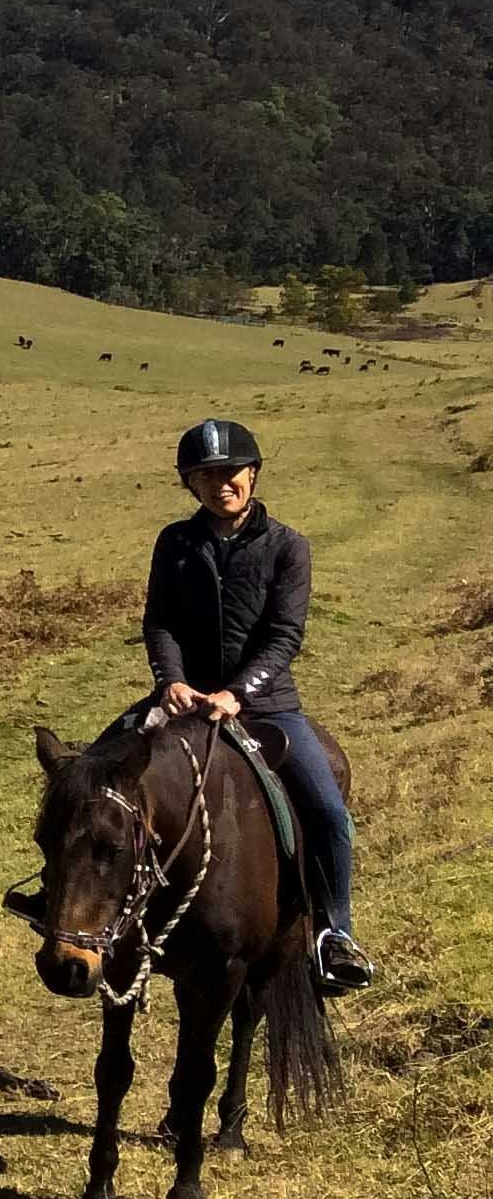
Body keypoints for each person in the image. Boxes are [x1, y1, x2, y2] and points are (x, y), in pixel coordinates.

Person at [143, 418, 367, 990]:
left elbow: (285, 635)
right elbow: (160, 622)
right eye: (206, 475)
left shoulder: (289, 547)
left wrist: (237, 693)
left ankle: (334, 933)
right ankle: (60, 898)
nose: (221, 484)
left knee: (328, 812)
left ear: (254, 474)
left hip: (267, 705)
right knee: (96, 773)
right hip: (185, 698)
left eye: (232, 472)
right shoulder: (175, 543)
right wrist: (171, 680)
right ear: (190, 483)